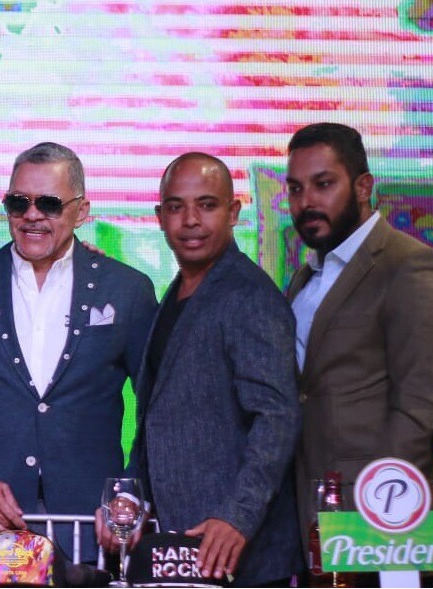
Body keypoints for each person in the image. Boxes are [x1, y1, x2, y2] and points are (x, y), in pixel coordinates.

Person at [0, 142, 156, 576]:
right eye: (18, 203)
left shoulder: (127, 289)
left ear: (81, 210)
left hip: (89, 532)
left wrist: (129, 493)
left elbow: (158, 403)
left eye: (49, 204)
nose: (32, 215)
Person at [135, 152, 303, 585]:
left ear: (233, 212)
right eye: (176, 207)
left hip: (239, 554)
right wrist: (133, 500)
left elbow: (277, 418)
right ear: (159, 217)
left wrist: (237, 516)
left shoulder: (249, 297)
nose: (191, 220)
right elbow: (156, 418)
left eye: (206, 205)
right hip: (182, 549)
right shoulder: (178, 293)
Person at [284, 123, 433, 520]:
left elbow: (422, 408)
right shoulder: (304, 278)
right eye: (296, 188)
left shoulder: (409, 266)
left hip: (383, 518)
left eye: (323, 184)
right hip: (313, 507)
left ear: (363, 187)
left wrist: (377, 508)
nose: (306, 202)